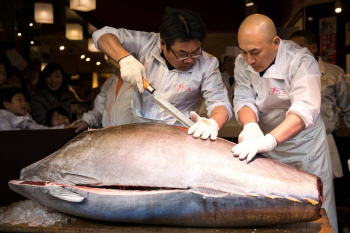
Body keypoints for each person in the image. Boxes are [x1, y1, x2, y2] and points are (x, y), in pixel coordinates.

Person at [231, 14, 337, 232]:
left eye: (255, 52)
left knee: (315, 212)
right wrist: (250, 127)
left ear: (276, 42)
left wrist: (270, 140)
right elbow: (243, 98)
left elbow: (305, 108)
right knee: (274, 211)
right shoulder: (243, 62)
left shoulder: (301, 60)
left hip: (304, 147)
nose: (249, 59)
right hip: (264, 144)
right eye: (243, 52)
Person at [92, 7, 232, 140]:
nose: (189, 60)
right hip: (138, 131)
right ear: (163, 44)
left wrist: (213, 123)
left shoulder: (208, 63)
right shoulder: (146, 44)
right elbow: (101, 34)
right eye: (182, 54)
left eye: (196, 52)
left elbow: (220, 102)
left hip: (181, 136)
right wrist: (125, 59)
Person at [290, 30, 350, 179]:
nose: (296, 52)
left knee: (330, 186)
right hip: (295, 139)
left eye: (300, 46)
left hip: (327, 138)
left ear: (314, 47)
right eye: (291, 48)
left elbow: (348, 109)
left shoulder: (334, 73)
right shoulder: (286, 74)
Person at [73, 55, 134, 132]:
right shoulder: (108, 83)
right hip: (109, 136)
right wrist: (87, 121)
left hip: (132, 136)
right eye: (106, 57)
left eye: (110, 56)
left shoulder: (139, 80)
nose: (107, 61)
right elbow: (99, 110)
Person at [0, 87, 73, 130]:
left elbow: (39, 128)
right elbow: (7, 134)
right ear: (6, 104)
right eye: (19, 100)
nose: (24, 103)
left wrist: (61, 128)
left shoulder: (26, 116)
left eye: (24, 100)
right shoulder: (2, 115)